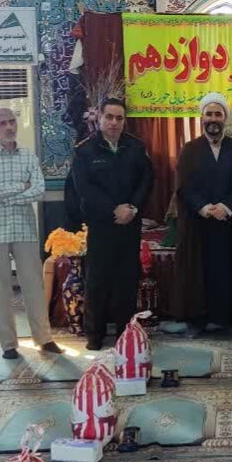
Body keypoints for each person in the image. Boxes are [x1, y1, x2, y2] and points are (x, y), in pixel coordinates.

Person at [0, 107, 62, 359]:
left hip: (24, 227)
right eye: (3, 123)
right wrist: (20, 187)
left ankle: (44, 339)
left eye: (12, 121)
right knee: (0, 287)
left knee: (34, 285)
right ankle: (9, 344)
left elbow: (38, 189)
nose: (9, 127)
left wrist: (9, 198)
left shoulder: (28, 156)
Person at [172, 92, 232, 337]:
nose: (213, 119)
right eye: (209, 114)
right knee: (200, 272)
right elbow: (184, 186)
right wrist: (204, 207)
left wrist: (226, 207)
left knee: (229, 272)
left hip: (231, 225)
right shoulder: (190, 150)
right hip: (200, 225)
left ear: (225, 118)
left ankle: (229, 320)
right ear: (202, 118)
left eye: (218, 114)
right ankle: (199, 320)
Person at [72, 97, 154, 350]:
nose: (114, 123)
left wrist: (132, 208)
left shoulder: (136, 147)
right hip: (101, 226)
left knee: (126, 281)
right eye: (109, 117)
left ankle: (124, 334)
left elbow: (146, 180)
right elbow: (84, 189)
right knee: (97, 280)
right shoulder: (85, 151)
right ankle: (94, 336)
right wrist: (112, 210)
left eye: (119, 118)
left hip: (129, 223)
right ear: (99, 117)